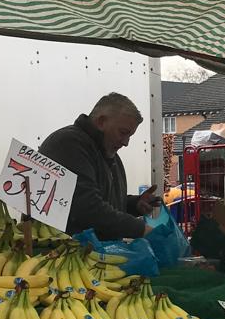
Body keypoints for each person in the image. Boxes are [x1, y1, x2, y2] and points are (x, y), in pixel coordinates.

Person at [42, 93, 159, 239]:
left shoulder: (108, 154)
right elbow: (87, 207)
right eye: (123, 133)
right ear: (101, 122)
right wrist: (141, 229)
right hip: (67, 249)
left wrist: (135, 204)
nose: (126, 142)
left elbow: (103, 201)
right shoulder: (69, 144)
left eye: (129, 136)